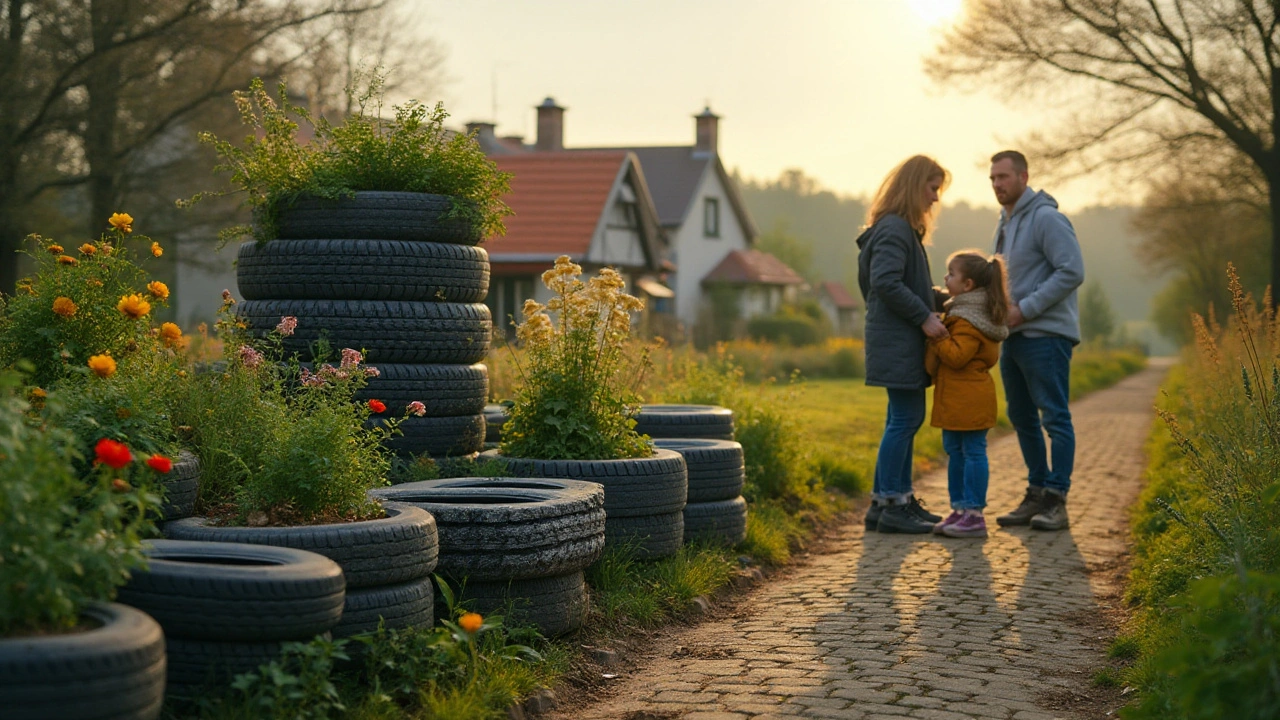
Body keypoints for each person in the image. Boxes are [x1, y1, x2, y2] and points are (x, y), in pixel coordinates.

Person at [988, 150, 1085, 531]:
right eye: (993, 178)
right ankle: (1036, 492)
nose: (997, 184)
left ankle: (1056, 500)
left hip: (1046, 336)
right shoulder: (1004, 223)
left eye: (1004, 177)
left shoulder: (1046, 218)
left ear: (1024, 177)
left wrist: (1025, 309)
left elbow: (1072, 270)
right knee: (1022, 418)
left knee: (1055, 418)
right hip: (1012, 336)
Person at [856, 155, 950, 534]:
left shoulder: (896, 229)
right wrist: (925, 317)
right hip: (898, 342)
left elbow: (904, 285)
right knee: (906, 419)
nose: (935, 199)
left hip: (894, 340)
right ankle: (894, 504)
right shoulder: (895, 229)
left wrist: (947, 298)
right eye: (932, 188)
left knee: (899, 419)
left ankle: (887, 503)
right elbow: (886, 282)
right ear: (914, 187)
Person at [926, 250, 1010, 539]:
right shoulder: (961, 314)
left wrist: (937, 335)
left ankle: (974, 513)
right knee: (955, 451)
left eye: (951, 274)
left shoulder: (969, 319)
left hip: (969, 397)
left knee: (972, 452)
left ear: (969, 285)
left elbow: (958, 357)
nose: (946, 279)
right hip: (957, 397)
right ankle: (960, 509)